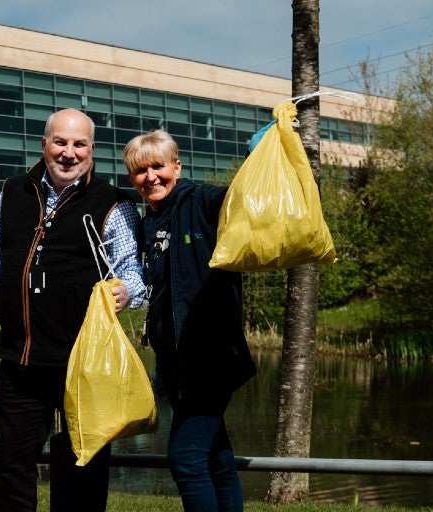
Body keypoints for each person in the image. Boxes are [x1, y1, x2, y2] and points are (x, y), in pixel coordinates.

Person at [0, 108, 145, 512]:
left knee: (85, 465)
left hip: (83, 363)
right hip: (20, 358)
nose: (69, 153)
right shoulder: (12, 192)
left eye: (79, 144)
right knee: (12, 467)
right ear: (44, 145)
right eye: (60, 142)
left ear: (92, 150)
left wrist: (125, 293)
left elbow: (134, 272)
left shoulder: (114, 203)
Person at [123, 129, 255, 512]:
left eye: (158, 167)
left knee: (186, 456)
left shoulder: (202, 201)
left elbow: (241, 197)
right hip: (178, 364)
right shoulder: (148, 222)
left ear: (177, 167)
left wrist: (262, 157)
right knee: (215, 457)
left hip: (213, 356)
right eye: (140, 171)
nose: (150, 177)